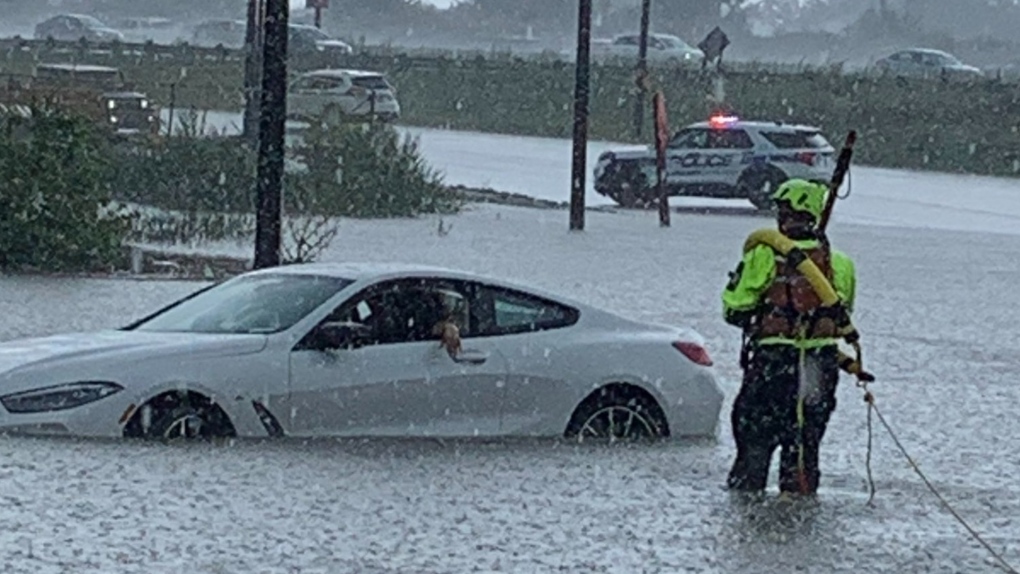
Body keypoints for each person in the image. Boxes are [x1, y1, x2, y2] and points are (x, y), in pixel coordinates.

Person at [721, 178, 857, 496]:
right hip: (819, 368)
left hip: (772, 366)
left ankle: (749, 513)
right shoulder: (841, 264)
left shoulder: (764, 255)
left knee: (753, 447)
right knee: (804, 447)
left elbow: (734, 307)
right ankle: (798, 512)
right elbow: (843, 311)